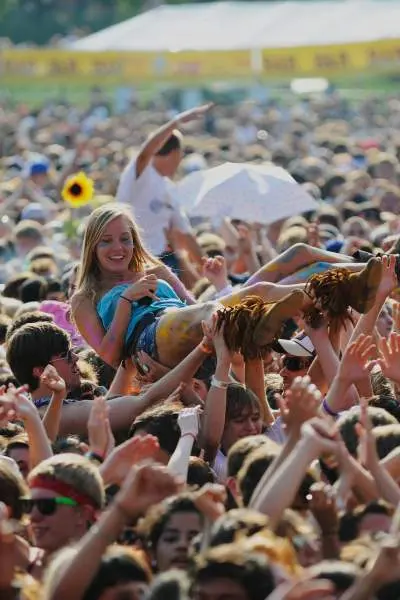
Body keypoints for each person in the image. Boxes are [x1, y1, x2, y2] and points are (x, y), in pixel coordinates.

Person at [72, 205, 381, 373]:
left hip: (189, 323)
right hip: (151, 343)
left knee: (292, 264)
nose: (118, 248)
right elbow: (111, 356)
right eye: (107, 241)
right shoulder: (86, 297)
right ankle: (266, 318)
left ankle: (372, 271)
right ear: (92, 246)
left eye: (125, 239)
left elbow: (190, 304)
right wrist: (126, 300)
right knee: (225, 306)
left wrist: (221, 287)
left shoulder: (154, 270)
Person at [116, 105, 210, 269]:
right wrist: (176, 122)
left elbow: (186, 235)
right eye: (180, 156)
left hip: (160, 261)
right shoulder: (140, 173)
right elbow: (146, 152)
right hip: (130, 259)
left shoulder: (170, 189)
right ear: (175, 154)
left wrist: (207, 268)